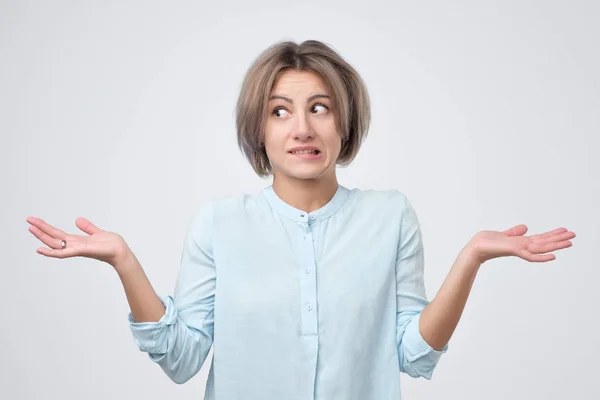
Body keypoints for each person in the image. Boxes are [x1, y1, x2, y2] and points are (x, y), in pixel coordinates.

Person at [26, 40, 576, 400]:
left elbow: (411, 354)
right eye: (279, 111)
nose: (302, 129)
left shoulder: (390, 216)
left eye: (320, 107)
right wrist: (124, 261)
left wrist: (472, 257)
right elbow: (182, 358)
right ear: (259, 130)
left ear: (344, 121)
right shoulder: (218, 223)